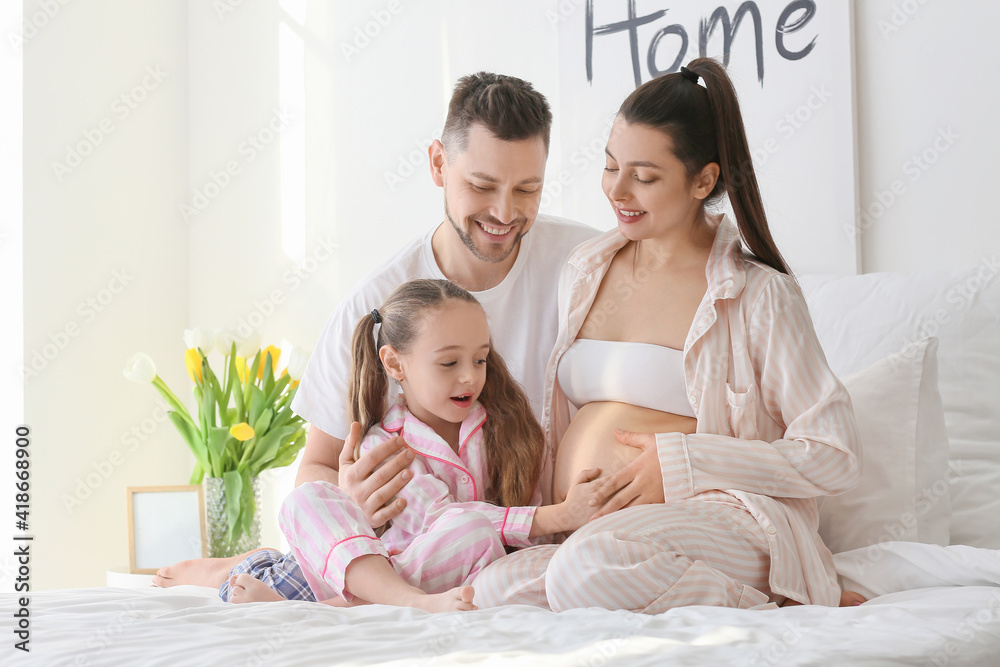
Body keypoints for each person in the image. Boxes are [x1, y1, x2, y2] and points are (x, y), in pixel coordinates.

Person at [152, 72, 597, 590]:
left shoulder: (584, 264)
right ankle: (241, 567)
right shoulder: (377, 303)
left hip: (499, 553)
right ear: (438, 163)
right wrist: (351, 498)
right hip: (403, 542)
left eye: (528, 189)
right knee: (313, 555)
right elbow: (314, 469)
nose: (504, 212)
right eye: (481, 186)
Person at [470, 58, 864, 613]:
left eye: (646, 177)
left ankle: (782, 604)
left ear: (703, 179)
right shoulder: (586, 269)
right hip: (603, 533)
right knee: (492, 591)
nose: (618, 190)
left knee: (587, 569)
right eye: (611, 167)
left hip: (727, 520)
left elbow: (834, 453)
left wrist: (685, 462)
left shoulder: (757, 295)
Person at [222, 279, 601, 611]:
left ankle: (326, 611)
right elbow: (438, 518)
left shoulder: (509, 428)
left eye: (480, 359)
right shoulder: (385, 445)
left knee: (473, 532)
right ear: (395, 364)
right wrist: (561, 514)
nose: (470, 376)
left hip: (433, 568)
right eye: (449, 363)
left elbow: (495, 530)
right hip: (356, 571)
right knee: (307, 499)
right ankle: (223, 569)